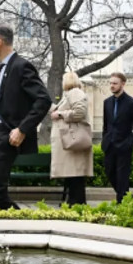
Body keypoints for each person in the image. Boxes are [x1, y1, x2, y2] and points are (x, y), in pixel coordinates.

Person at [0, 25, 52, 209]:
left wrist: (22, 129)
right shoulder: (0, 69)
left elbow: (43, 100)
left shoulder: (21, 66)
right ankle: (8, 223)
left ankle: (23, 221)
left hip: (7, 134)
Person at [49, 70, 93, 206]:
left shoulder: (75, 92)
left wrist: (60, 114)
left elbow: (79, 112)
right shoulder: (70, 94)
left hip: (73, 141)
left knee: (75, 174)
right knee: (72, 174)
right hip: (70, 141)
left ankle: (76, 203)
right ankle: (73, 202)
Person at [101, 72, 133, 203]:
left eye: (115, 83)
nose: (112, 86)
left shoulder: (132, 103)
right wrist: (104, 139)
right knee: (109, 173)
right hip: (109, 146)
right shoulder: (107, 102)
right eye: (110, 83)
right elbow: (106, 124)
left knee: (122, 177)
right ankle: (127, 198)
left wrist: (131, 142)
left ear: (123, 84)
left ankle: (121, 204)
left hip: (124, 146)